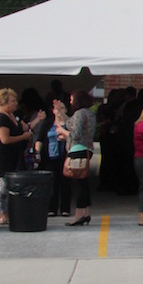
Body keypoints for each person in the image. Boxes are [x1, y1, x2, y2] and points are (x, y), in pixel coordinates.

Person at [0, 87, 44, 226]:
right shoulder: (0, 118)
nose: (15, 103)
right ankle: (1, 213)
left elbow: (25, 127)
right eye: (12, 101)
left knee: (0, 184)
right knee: (0, 185)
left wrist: (38, 120)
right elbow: (5, 139)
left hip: (11, 156)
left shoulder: (13, 115)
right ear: (4, 103)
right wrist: (22, 137)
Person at [59, 90, 96, 227]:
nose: (70, 101)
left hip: (78, 149)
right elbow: (70, 123)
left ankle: (79, 214)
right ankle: (85, 212)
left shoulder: (80, 113)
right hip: (87, 149)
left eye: (72, 99)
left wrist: (62, 132)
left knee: (80, 184)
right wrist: (61, 113)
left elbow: (75, 133)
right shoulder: (90, 113)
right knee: (84, 182)